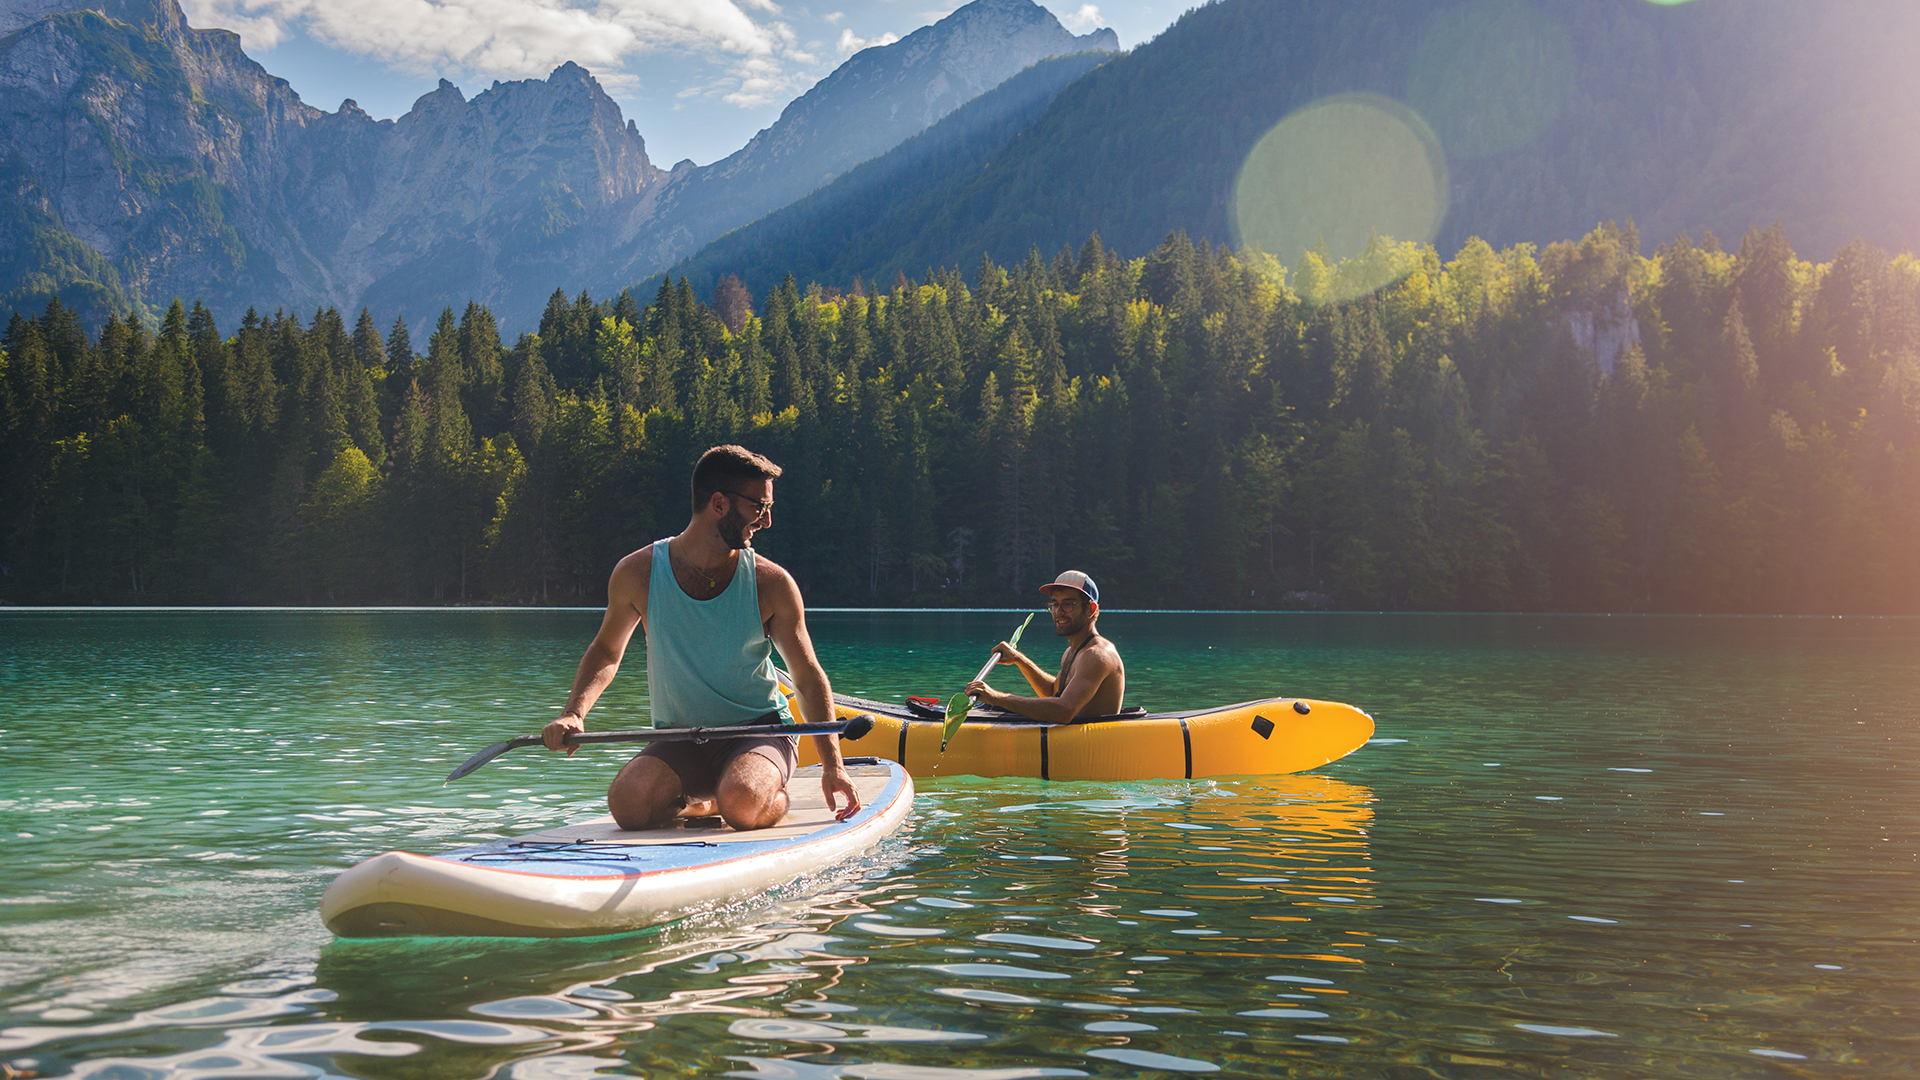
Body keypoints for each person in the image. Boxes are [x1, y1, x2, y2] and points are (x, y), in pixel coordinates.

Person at [541, 445, 861, 831]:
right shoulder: (637, 573)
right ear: (720, 503)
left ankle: (761, 797)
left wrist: (833, 766)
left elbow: (807, 676)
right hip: (682, 737)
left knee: (742, 801)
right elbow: (607, 651)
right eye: (759, 507)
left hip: (759, 731)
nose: (768, 520)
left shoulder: (771, 583)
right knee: (629, 806)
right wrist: (575, 712)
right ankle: (706, 802)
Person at [965, 570, 1125, 721]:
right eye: (1055, 604)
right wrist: (1018, 659)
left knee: (995, 704)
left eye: (1068, 604)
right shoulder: (1073, 651)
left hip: (1092, 745)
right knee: (989, 708)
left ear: (1091, 609)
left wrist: (997, 698)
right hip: (1072, 739)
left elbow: (1064, 710)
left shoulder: (1097, 655)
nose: (1058, 611)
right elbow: (1053, 693)